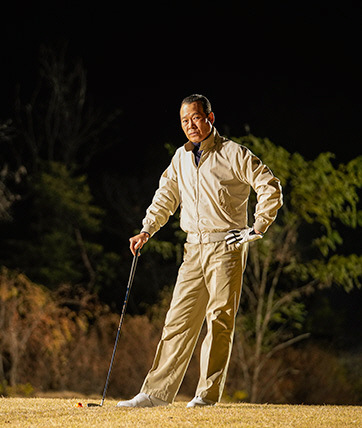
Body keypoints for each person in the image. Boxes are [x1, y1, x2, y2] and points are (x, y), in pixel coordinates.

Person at [117, 94, 283, 408]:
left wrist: (258, 226)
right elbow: (166, 195)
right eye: (184, 121)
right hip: (193, 248)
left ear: (210, 117)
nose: (190, 125)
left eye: (195, 117)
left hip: (227, 246)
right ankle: (155, 394)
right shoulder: (180, 157)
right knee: (177, 320)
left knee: (219, 320)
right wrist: (147, 229)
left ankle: (205, 396)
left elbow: (269, 184)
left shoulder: (234, 153)